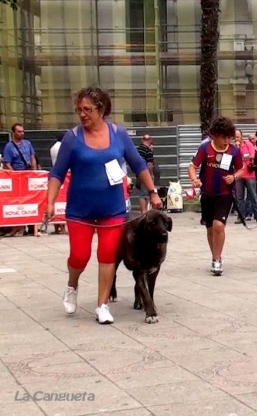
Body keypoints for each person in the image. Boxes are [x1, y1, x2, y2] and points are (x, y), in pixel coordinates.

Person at [46, 87, 161, 325]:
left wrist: (152, 192)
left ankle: (102, 305)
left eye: (88, 109)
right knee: (80, 256)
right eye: (79, 110)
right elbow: (57, 173)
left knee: (107, 255)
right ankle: (72, 284)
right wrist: (50, 201)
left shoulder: (118, 134)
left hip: (112, 209)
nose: (82, 114)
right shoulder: (72, 137)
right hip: (80, 210)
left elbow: (138, 164)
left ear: (102, 109)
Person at [187, 116, 244, 276]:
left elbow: (241, 169)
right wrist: (194, 179)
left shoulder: (234, 151)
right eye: (223, 137)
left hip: (224, 195)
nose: (226, 141)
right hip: (207, 194)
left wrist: (234, 177)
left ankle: (217, 260)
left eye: (229, 137)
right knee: (211, 229)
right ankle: (215, 256)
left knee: (219, 226)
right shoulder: (205, 149)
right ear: (215, 135)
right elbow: (192, 167)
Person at [136, 134, 154, 214]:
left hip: (139, 174)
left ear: (142, 140)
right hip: (145, 174)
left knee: (143, 193)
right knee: (145, 194)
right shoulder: (148, 150)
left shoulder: (138, 149)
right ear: (150, 141)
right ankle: (145, 212)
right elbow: (149, 164)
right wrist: (151, 175)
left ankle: (143, 211)